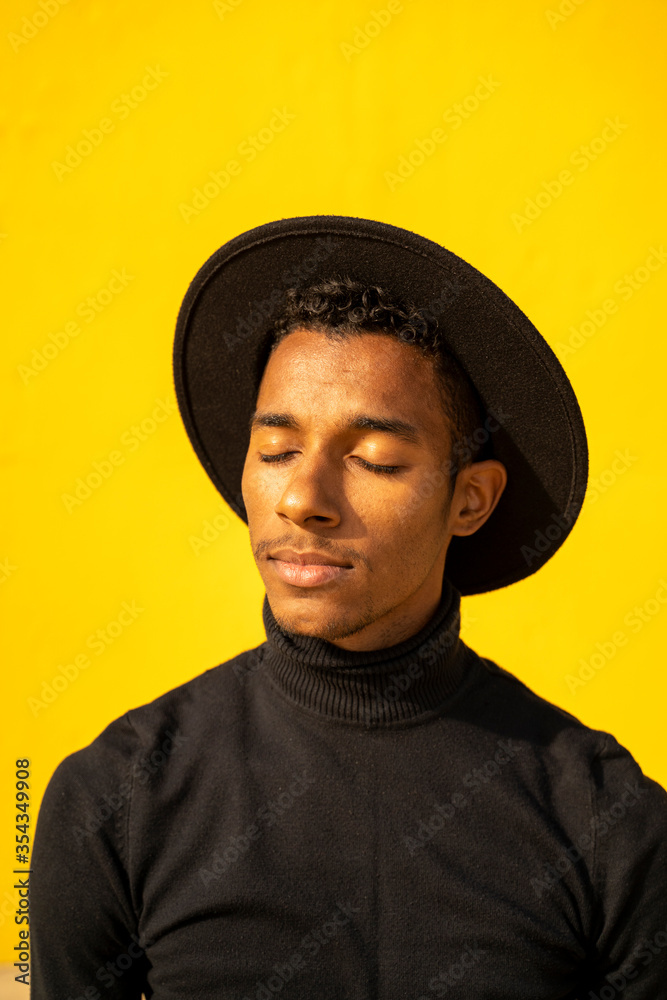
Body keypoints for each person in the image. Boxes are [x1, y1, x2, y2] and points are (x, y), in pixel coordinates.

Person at [31, 216, 667, 999]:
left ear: (470, 498)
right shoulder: (114, 798)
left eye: (374, 460)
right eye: (275, 451)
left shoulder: (606, 818)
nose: (301, 499)